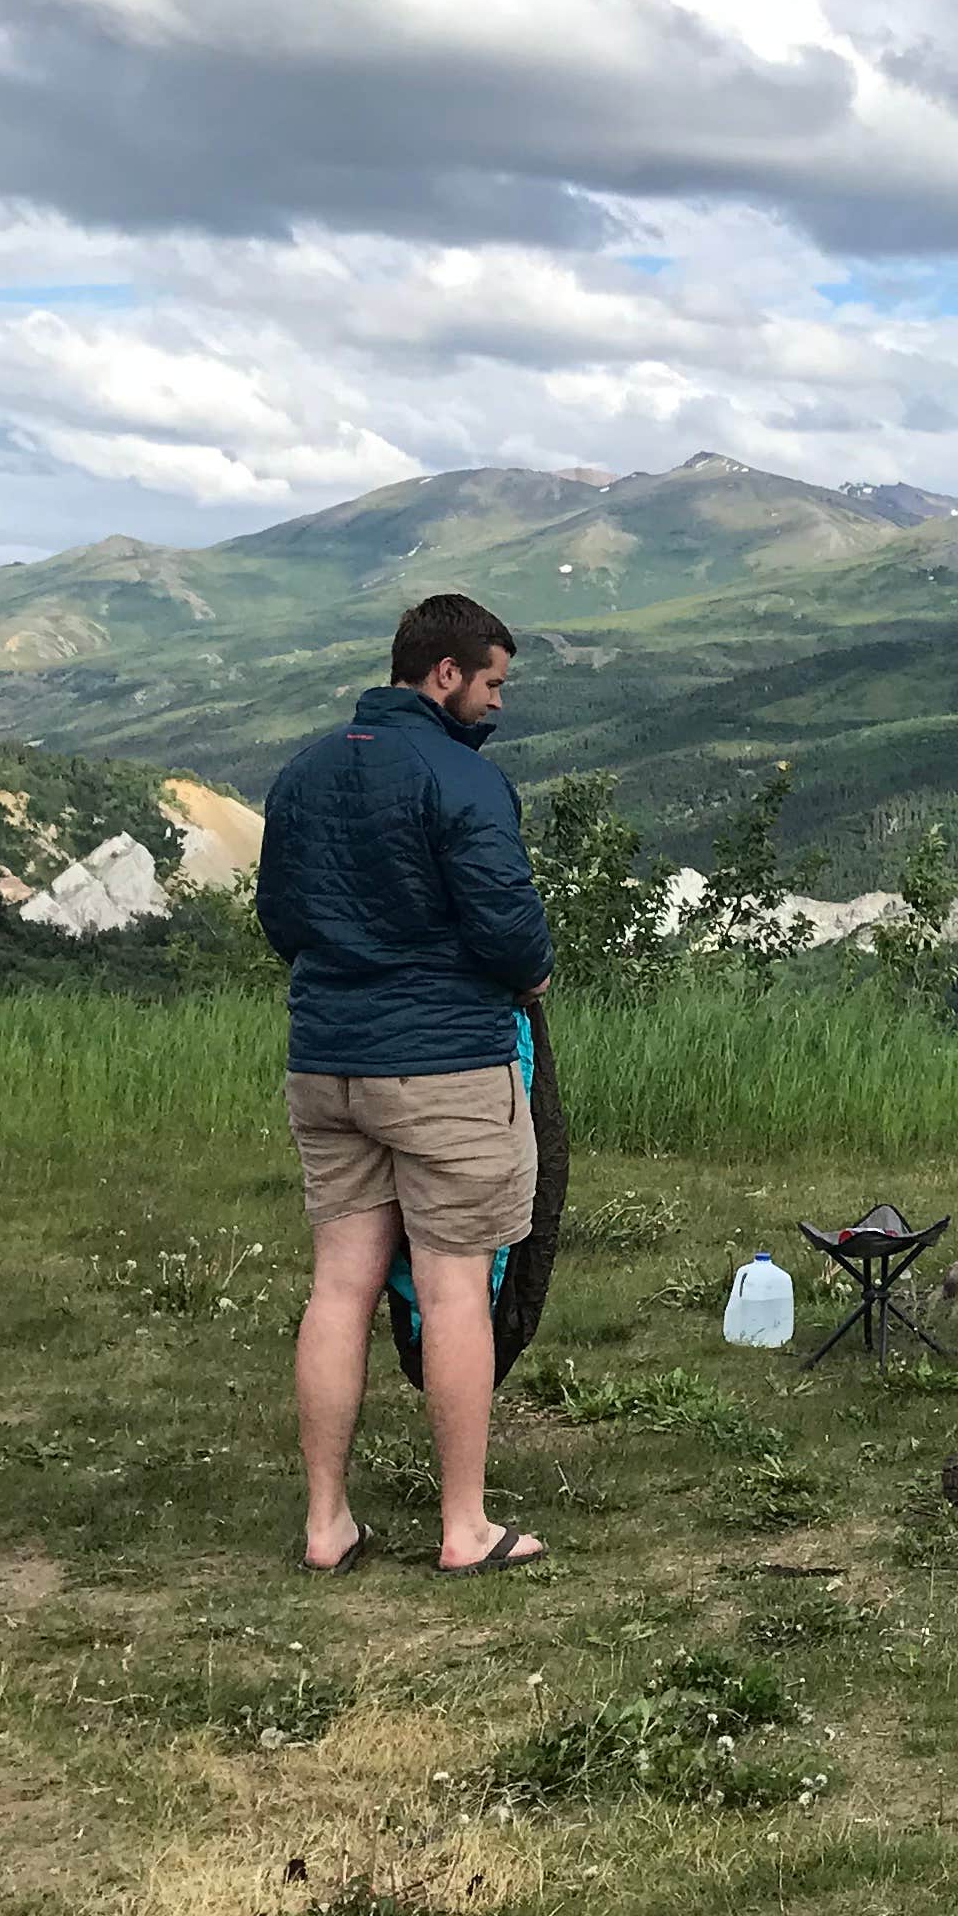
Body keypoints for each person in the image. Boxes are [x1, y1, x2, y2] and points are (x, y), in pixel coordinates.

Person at [256, 593, 557, 1578]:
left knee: (338, 1286)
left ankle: (325, 1522)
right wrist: (531, 973)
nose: (497, 705)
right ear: (446, 673)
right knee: (454, 1287)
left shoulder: (302, 773)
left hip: (325, 1060)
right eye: (493, 684)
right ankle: (464, 1527)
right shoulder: (463, 781)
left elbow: (281, 921)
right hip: (443, 1068)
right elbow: (510, 929)